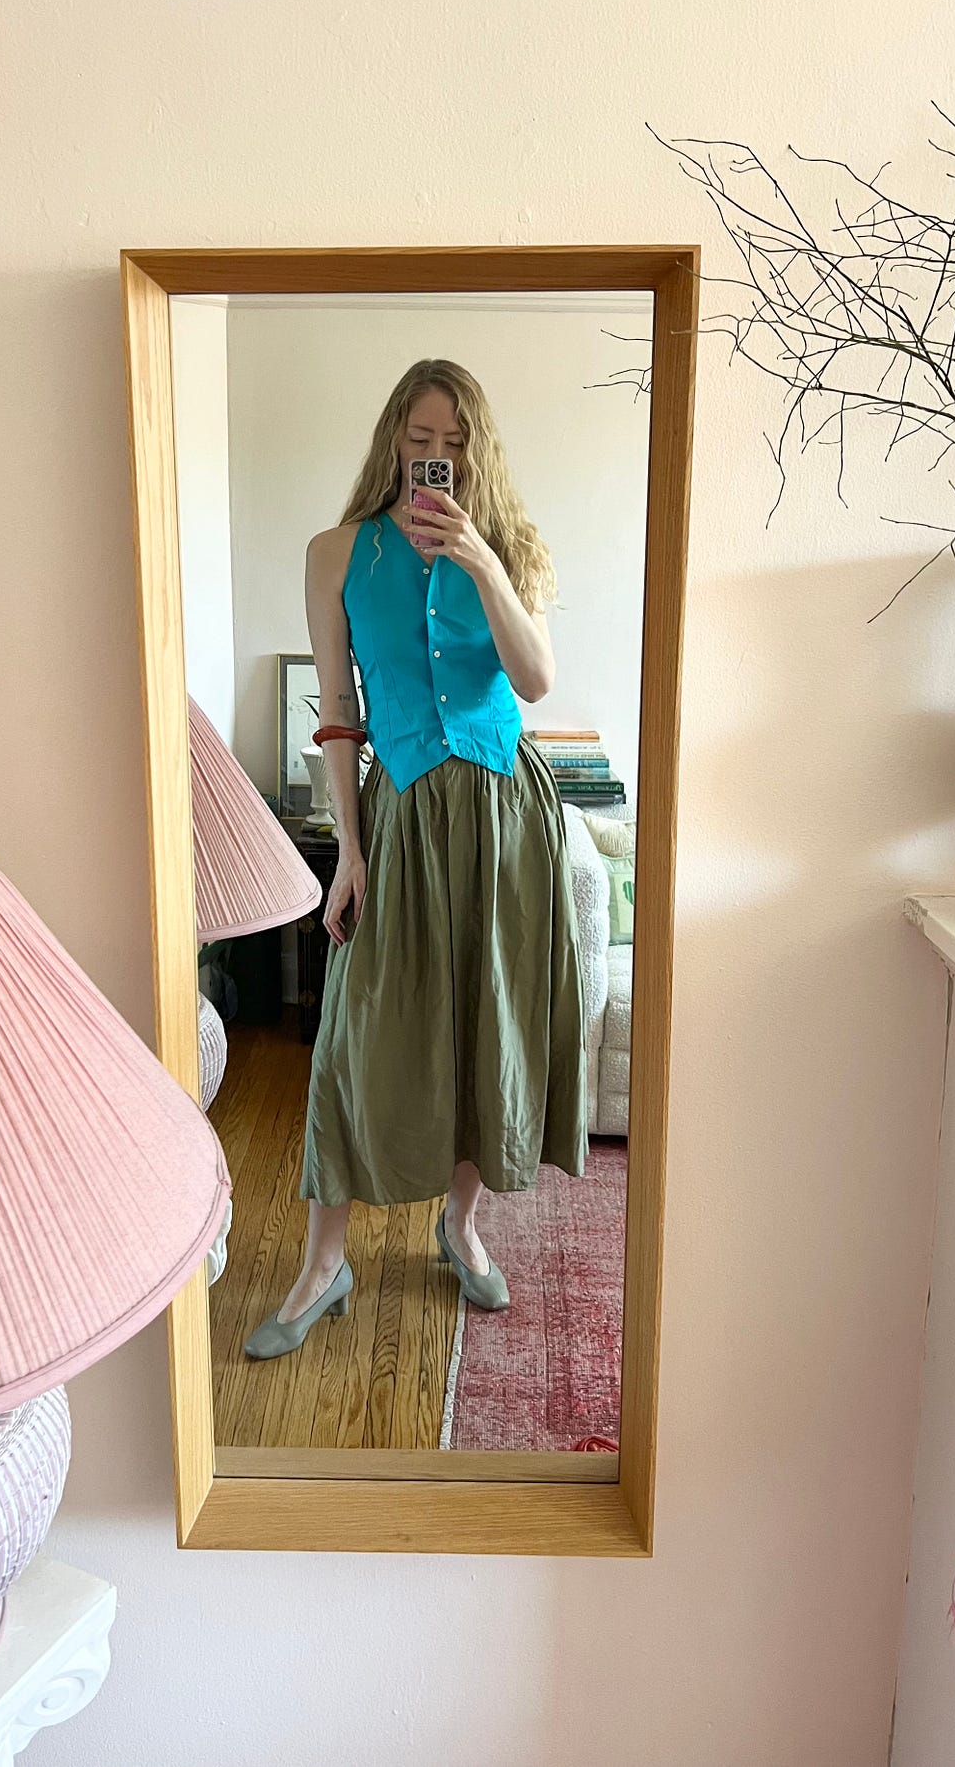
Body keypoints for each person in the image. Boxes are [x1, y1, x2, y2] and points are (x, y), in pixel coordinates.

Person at [243, 358, 586, 1359]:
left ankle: (461, 1225)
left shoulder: (509, 548)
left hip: (504, 814)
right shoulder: (335, 553)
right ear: (394, 437)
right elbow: (339, 714)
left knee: (487, 1022)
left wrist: (482, 562)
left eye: (454, 445)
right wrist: (346, 852)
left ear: (477, 455)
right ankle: (324, 1261)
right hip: (398, 816)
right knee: (353, 1034)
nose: (435, 458)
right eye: (420, 439)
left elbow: (534, 680)